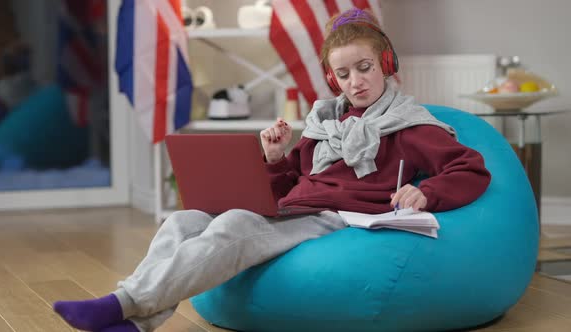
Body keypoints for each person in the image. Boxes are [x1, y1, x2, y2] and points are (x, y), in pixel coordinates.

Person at [53, 8, 491, 332]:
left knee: (235, 224)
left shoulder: (410, 126)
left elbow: (470, 168)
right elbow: (288, 183)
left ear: (386, 65)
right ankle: (138, 325)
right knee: (183, 220)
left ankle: (122, 302)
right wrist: (276, 158)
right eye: (344, 73)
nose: (356, 81)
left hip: (334, 218)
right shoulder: (324, 123)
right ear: (332, 79)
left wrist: (425, 192)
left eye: (365, 68)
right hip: (290, 208)